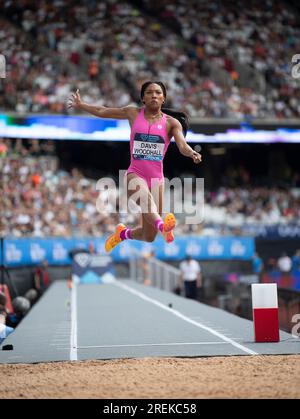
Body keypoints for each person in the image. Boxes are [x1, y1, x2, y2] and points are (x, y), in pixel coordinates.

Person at [68, 81, 202, 252]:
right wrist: (81, 104)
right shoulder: (133, 113)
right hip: (135, 174)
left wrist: (192, 153)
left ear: (164, 98)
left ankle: (122, 234)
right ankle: (163, 227)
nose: (154, 95)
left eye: (158, 93)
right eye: (149, 92)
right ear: (143, 98)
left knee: (149, 236)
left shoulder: (172, 123)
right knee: (147, 202)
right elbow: (103, 110)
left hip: (157, 180)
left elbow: (182, 145)